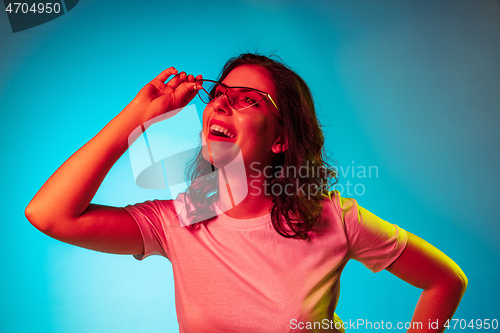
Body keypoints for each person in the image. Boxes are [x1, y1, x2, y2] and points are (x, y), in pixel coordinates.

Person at [25, 53, 467, 332]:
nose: (220, 102)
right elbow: (49, 214)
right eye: (221, 94)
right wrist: (137, 117)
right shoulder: (178, 221)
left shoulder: (334, 218)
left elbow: (445, 281)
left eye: (248, 100)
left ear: (280, 138)